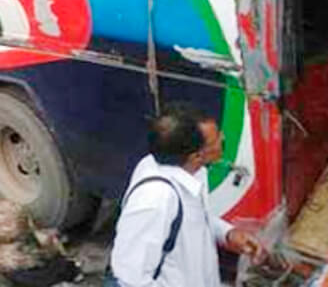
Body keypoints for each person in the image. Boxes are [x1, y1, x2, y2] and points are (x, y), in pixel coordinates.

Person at [108, 105, 266, 287]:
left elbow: (194, 219)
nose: (223, 138)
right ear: (196, 156)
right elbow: (131, 279)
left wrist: (227, 233)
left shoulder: (192, 171)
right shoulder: (154, 201)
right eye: (216, 141)